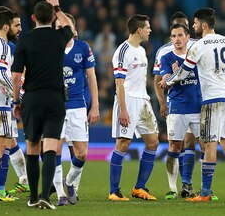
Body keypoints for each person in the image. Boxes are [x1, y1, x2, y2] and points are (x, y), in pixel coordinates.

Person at [160, 8, 225, 202]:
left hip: (211, 99)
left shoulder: (198, 46)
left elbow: (183, 73)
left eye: (195, 23)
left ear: (204, 25)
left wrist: (169, 80)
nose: (193, 26)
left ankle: (205, 193)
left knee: (209, 145)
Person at [11, 0, 73, 210]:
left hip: (32, 98)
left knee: (32, 146)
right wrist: (58, 8)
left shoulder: (25, 40)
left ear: (33, 17)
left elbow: (16, 76)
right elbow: (70, 27)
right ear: (52, 17)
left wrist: (16, 100)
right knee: (51, 146)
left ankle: (33, 197)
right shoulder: (59, 37)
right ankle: (46, 196)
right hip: (55, 98)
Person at [109, 14, 159, 201]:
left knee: (153, 141)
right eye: (147, 27)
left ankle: (139, 188)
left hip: (143, 101)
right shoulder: (123, 51)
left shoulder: (142, 51)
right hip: (127, 100)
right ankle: (114, 191)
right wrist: (123, 109)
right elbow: (119, 83)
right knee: (123, 143)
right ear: (139, 30)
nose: (150, 30)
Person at [53, 13, 99, 206]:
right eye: (57, 26)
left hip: (78, 106)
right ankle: (60, 194)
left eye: (65, 25)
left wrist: (95, 105)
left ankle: (69, 181)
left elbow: (92, 77)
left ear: (73, 28)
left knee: (81, 154)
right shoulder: (49, 47)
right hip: (55, 107)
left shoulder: (83, 47)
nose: (61, 29)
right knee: (55, 150)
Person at [160, 23, 201, 200]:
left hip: (198, 106)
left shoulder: (196, 57)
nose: (177, 39)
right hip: (177, 107)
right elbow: (165, 79)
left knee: (205, 146)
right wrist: (173, 76)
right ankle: (172, 188)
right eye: (174, 36)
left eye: (180, 35)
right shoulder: (166, 57)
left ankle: (204, 188)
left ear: (187, 37)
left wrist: (176, 76)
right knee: (174, 146)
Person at [0, 6, 29, 202]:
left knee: (2, 145)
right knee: (1, 148)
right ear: (5, 27)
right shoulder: (3, 46)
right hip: (0, 102)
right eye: (16, 25)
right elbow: (0, 75)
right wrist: (19, 96)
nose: (19, 29)